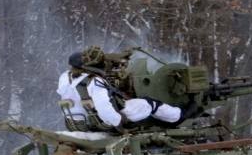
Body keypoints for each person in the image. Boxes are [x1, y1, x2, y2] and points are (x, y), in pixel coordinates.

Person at [57, 50, 185, 131]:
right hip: (101, 121)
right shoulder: (94, 82)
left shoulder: (65, 78)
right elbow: (104, 109)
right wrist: (119, 123)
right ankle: (178, 116)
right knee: (149, 103)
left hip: (79, 121)